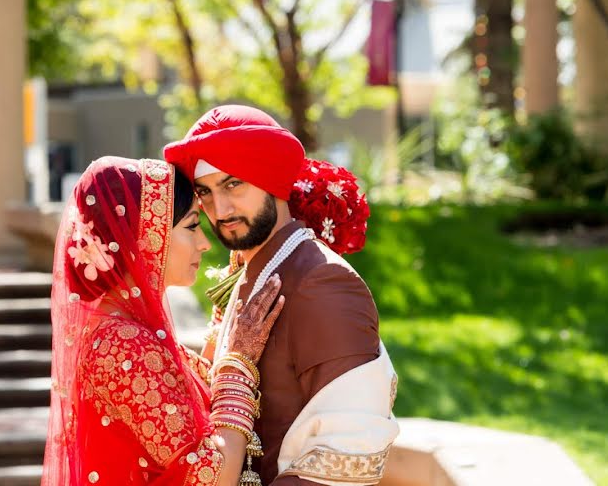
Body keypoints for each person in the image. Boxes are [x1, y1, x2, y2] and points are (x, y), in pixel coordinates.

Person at [164, 106, 399, 486]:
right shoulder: (253, 273)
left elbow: (349, 456)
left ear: (272, 178)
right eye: (205, 192)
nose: (219, 210)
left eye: (233, 184)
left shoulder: (323, 282)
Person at [41, 156, 286, 486]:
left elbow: (189, 405)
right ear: (145, 235)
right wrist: (240, 363)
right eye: (191, 225)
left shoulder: (123, 328)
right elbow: (212, 477)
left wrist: (225, 318)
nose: (203, 242)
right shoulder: (122, 343)